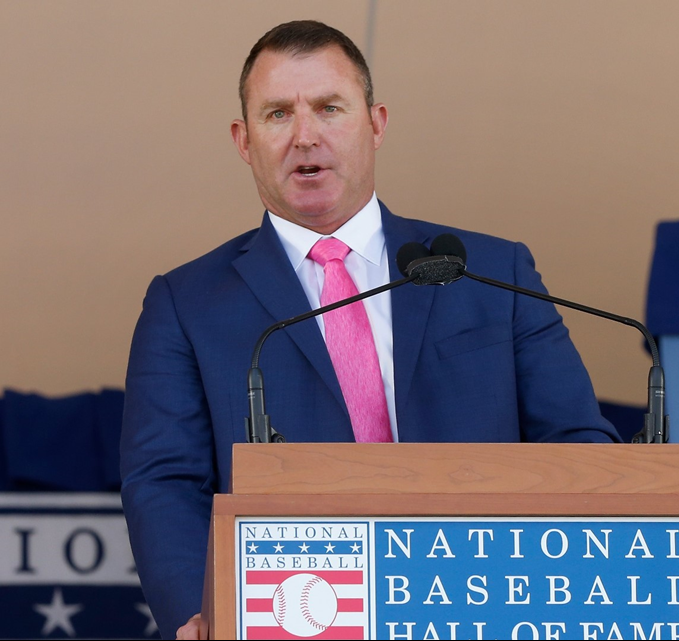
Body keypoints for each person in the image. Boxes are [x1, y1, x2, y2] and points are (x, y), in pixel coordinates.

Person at [119, 20, 620, 640]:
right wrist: (200, 614)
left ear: (376, 123)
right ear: (243, 140)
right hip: (297, 611)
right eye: (277, 115)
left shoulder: (492, 273)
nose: (306, 136)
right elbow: (164, 480)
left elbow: (576, 443)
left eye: (329, 108)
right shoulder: (187, 303)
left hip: (486, 605)